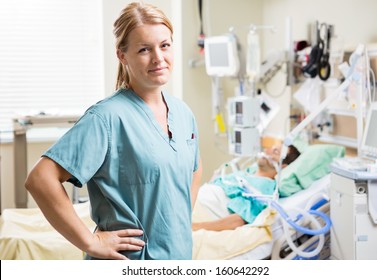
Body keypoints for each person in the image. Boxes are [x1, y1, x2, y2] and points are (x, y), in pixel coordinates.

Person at [25, 2, 202, 260]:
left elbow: (194, 169)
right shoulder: (106, 118)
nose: (158, 58)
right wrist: (90, 241)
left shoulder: (183, 113)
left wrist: (177, 223)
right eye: (144, 49)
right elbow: (40, 179)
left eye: (165, 45)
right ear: (122, 55)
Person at [192, 145, 300, 231]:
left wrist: (196, 227)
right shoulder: (246, 174)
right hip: (191, 202)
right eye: (271, 148)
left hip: (201, 212)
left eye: (275, 152)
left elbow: (238, 220)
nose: (267, 151)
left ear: (283, 166)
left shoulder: (265, 187)